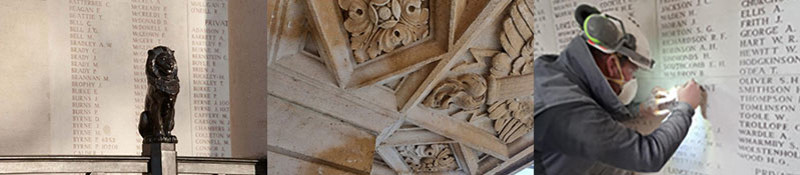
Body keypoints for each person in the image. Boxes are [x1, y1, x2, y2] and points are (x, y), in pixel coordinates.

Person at [533, 4, 704, 175]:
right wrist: (685, 106)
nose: (632, 80)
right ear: (612, 64)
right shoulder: (568, 112)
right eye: (633, 71)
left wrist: (640, 109)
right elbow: (649, 156)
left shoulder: (553, 74)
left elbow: (594, 116)